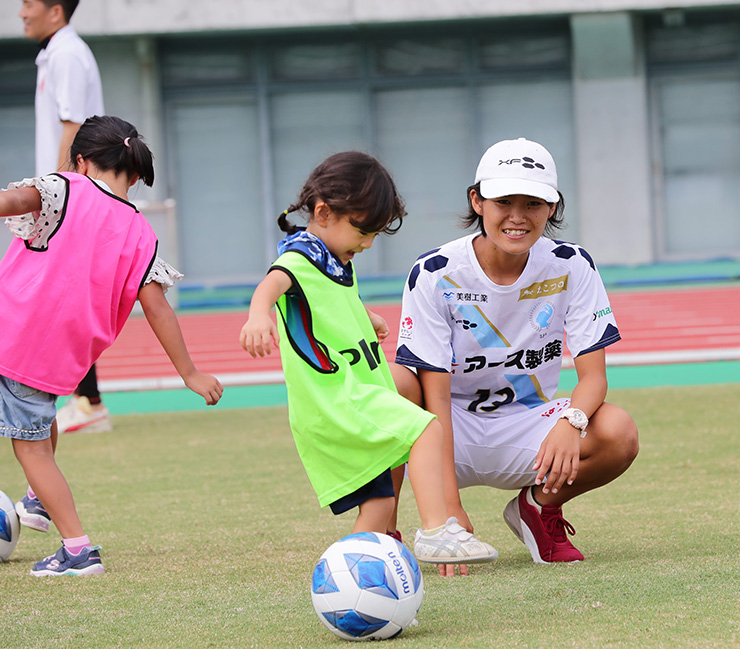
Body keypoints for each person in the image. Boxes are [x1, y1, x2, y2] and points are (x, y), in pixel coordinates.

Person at [391, 138, 640, 574]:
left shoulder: (572, 265)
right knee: (394, 385)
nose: (517, 217)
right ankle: (383, 537)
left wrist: (571, 422)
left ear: (552, 207)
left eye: (533, 203)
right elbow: (435, 402)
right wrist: (450, 513)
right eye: (503, 201)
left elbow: (594, 379)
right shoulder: (434, 271)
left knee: (618, 430)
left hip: (532, 428)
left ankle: (537, 509)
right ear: (478, 201)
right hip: (448, 430)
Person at [238, 152, 498, 567]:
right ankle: (436, 529)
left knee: (377, 509)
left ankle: (349, 580)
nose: (368, 243)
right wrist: (257, 317)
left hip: (357, 395)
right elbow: (272, 284)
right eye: (363, 230)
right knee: (426, 429)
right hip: (341, 398)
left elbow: (332, 301)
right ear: (323, 212)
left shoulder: (336, 259)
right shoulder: (299, 258)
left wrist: (365, 317)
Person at [0, 115, 224, 576]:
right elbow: (158, 307)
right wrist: (190, 373)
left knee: (33, 449)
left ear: (80, 161)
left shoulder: (63, 188)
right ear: (136, 174)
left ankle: (78, 550)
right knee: (37, 430)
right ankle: (39, 499)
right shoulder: (140, 231)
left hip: (15, 338)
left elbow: (16, 200)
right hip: (62, 356)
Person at [20, 0, 111, 434]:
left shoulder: (68, 54)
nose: (21, 12)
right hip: (66, 193)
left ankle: (89, 402)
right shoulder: (54, 53)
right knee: (59, 296)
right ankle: (86, 398)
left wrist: (57, 192)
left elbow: (73, 126)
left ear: (56, 10)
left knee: (65, 297)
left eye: (28, 3)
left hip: (71, 194)